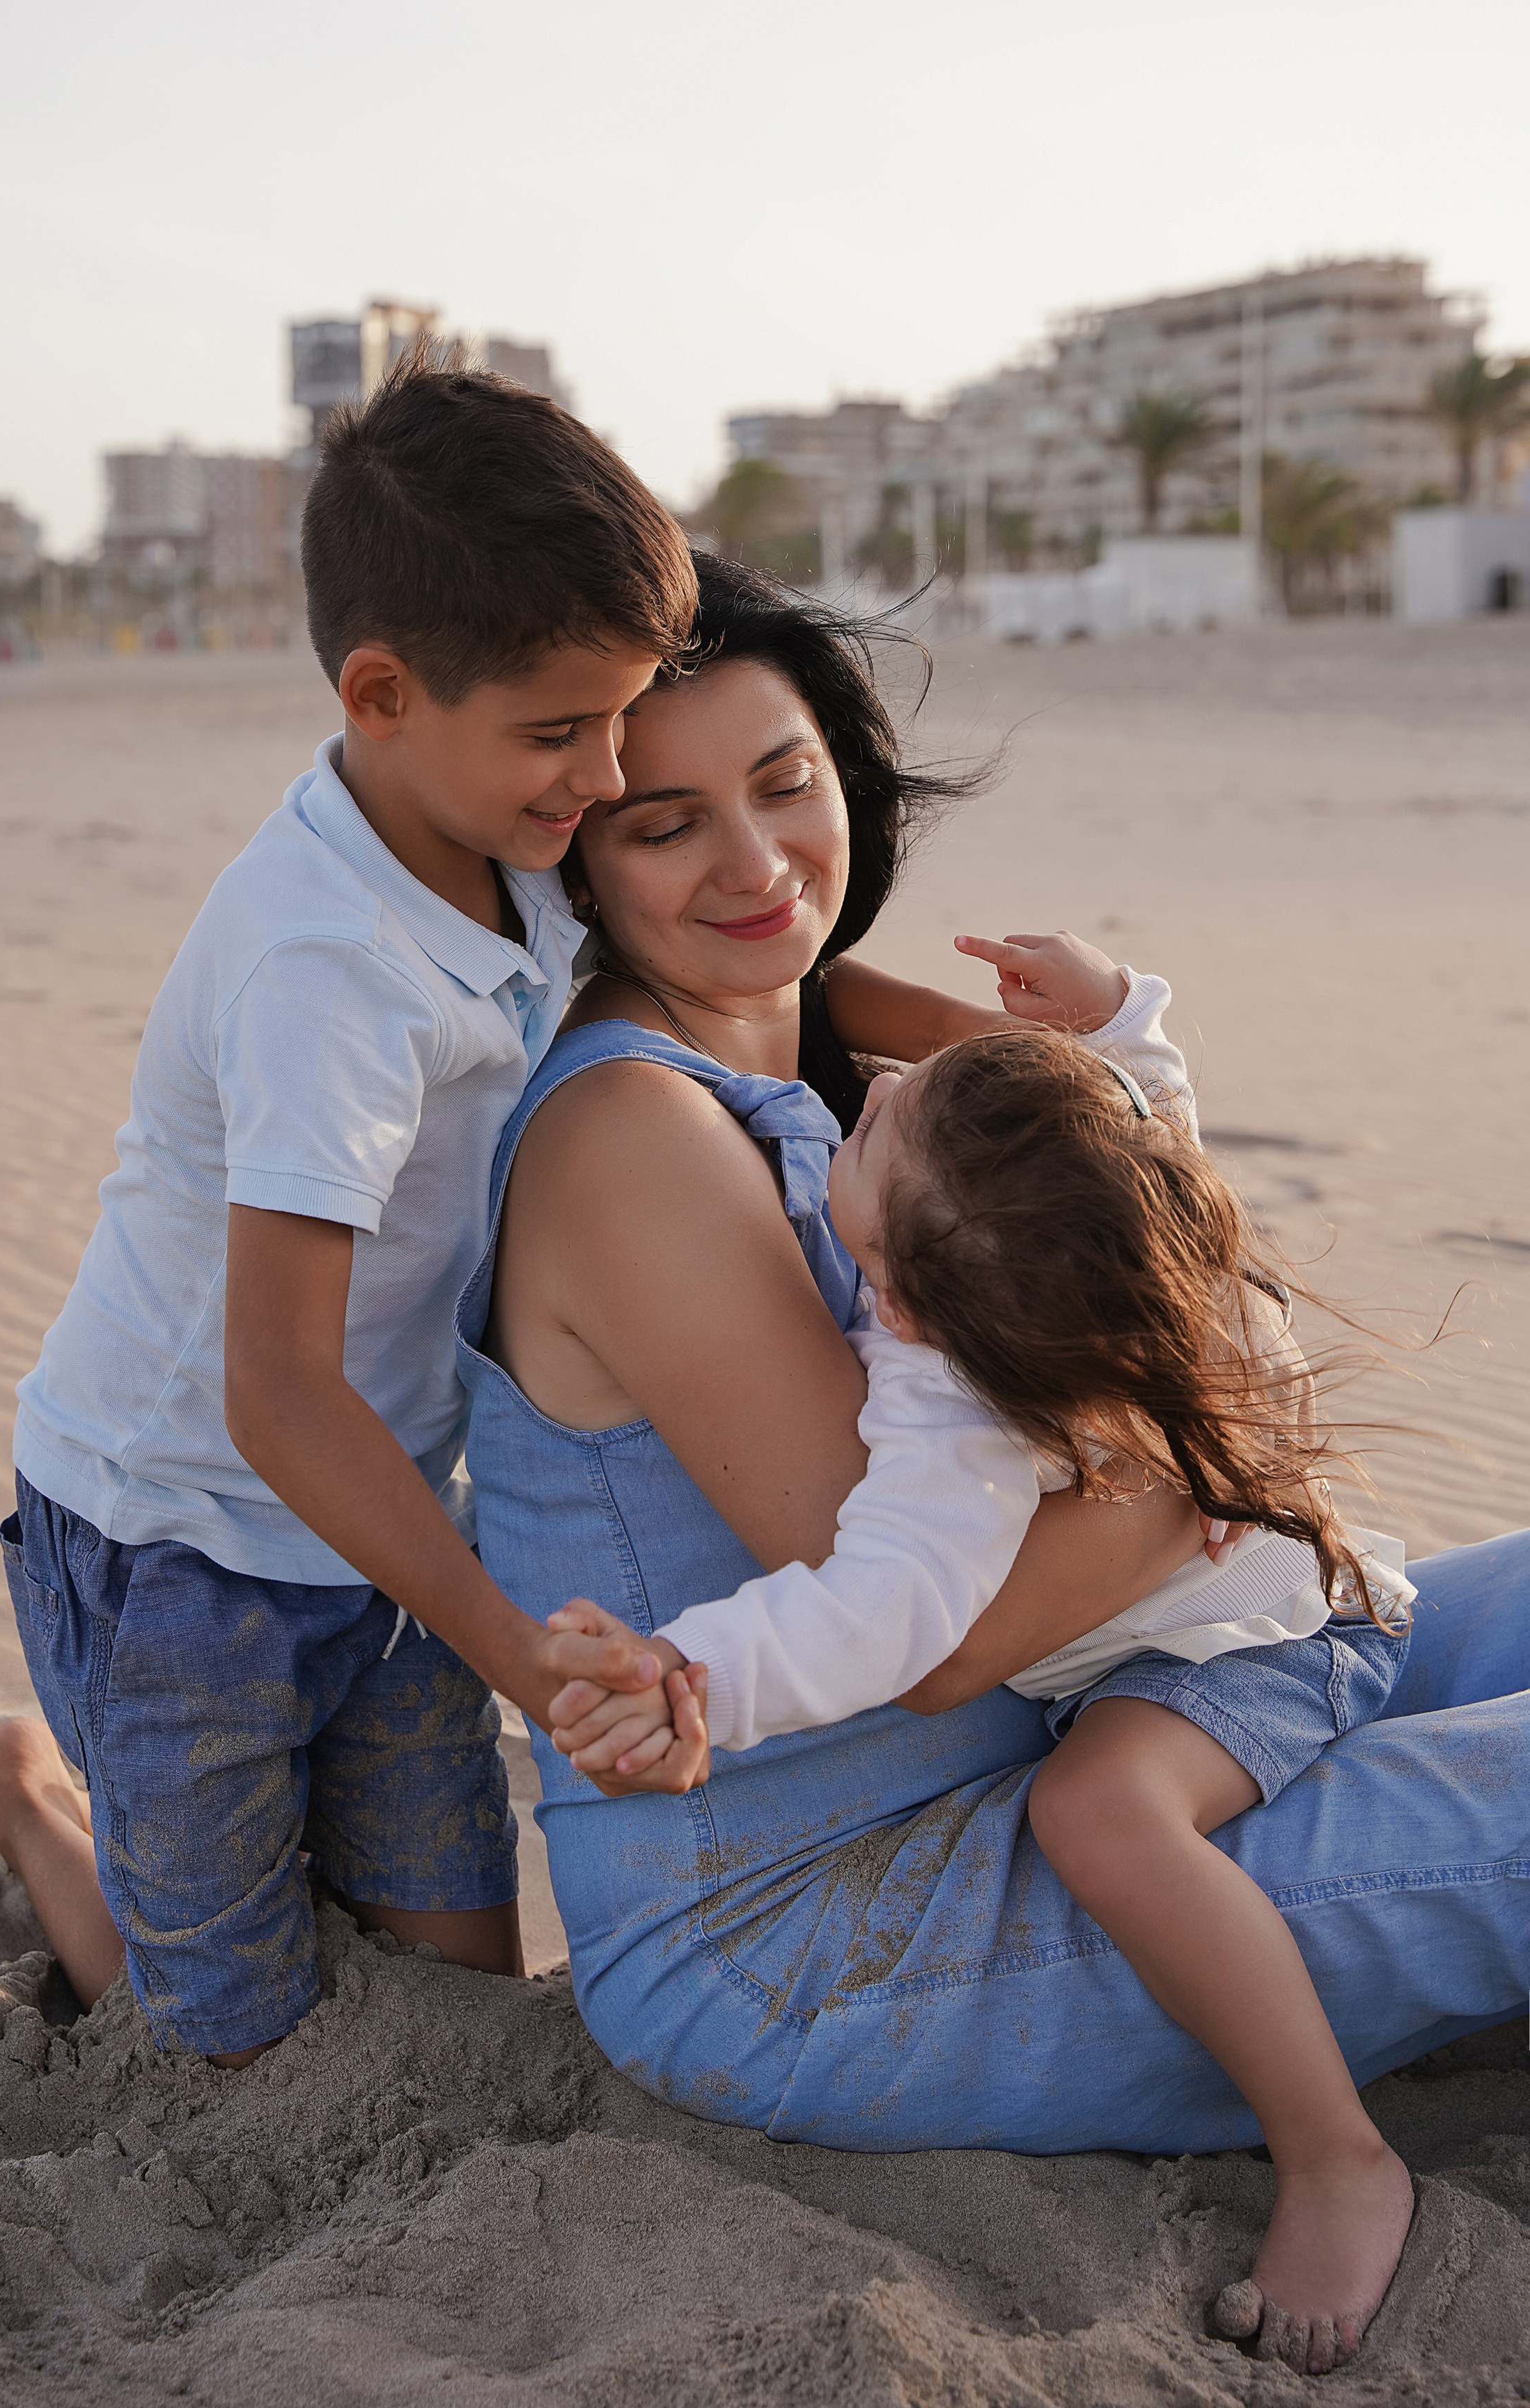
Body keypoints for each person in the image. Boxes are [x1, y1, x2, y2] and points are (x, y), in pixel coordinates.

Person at [454, 551, 1530, 2382]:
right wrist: (1221, 1448)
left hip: (1108, 1702)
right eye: (663, 824)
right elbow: (936, 1638)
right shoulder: (637, 1132)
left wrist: (1203, 1403)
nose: (754, 865)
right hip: (828, 1931)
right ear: (574, 854)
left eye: (785, 783)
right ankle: (1337, 2154)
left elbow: (1152, 1196)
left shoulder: (831, 1043)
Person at [550, 940, 1419, 2373]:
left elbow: (885, 1611)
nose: (886, 1085)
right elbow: (1141, 1119)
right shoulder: (1015, 1259)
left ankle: (1334, 2155)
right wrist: (1117, 1018)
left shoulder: (941, 1399)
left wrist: (689, 1675)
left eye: (883, 1125)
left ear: (891, 1301)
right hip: (1223, 1602)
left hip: (1260, 1645)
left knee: (1098, 1813)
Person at [0, 357, 694, 2063]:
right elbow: (277, 1393)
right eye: (558, 732)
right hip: (175, 1545)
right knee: (225, 2045)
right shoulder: (324, 967)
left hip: (375, 1524)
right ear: (380, 692)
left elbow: (679, 953)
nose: (603, 776)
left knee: (455, 1979)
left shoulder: (506, 838)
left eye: (620, 719)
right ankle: (31, 1806)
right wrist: (513, 1654)